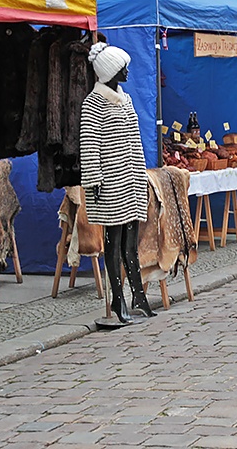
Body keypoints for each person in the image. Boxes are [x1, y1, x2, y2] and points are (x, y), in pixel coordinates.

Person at [80, 43, 155, 324]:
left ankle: (137, 293)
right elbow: (89, 145)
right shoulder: (93, 103)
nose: (127, 71)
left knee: (131, 243)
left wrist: (142, 174)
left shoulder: (126, 99)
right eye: (122, 67)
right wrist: (93, 180)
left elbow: (136, 141)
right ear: (110, 71)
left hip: (132, 181)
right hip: (110, 184)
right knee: (113, 244)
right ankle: (117, 298)